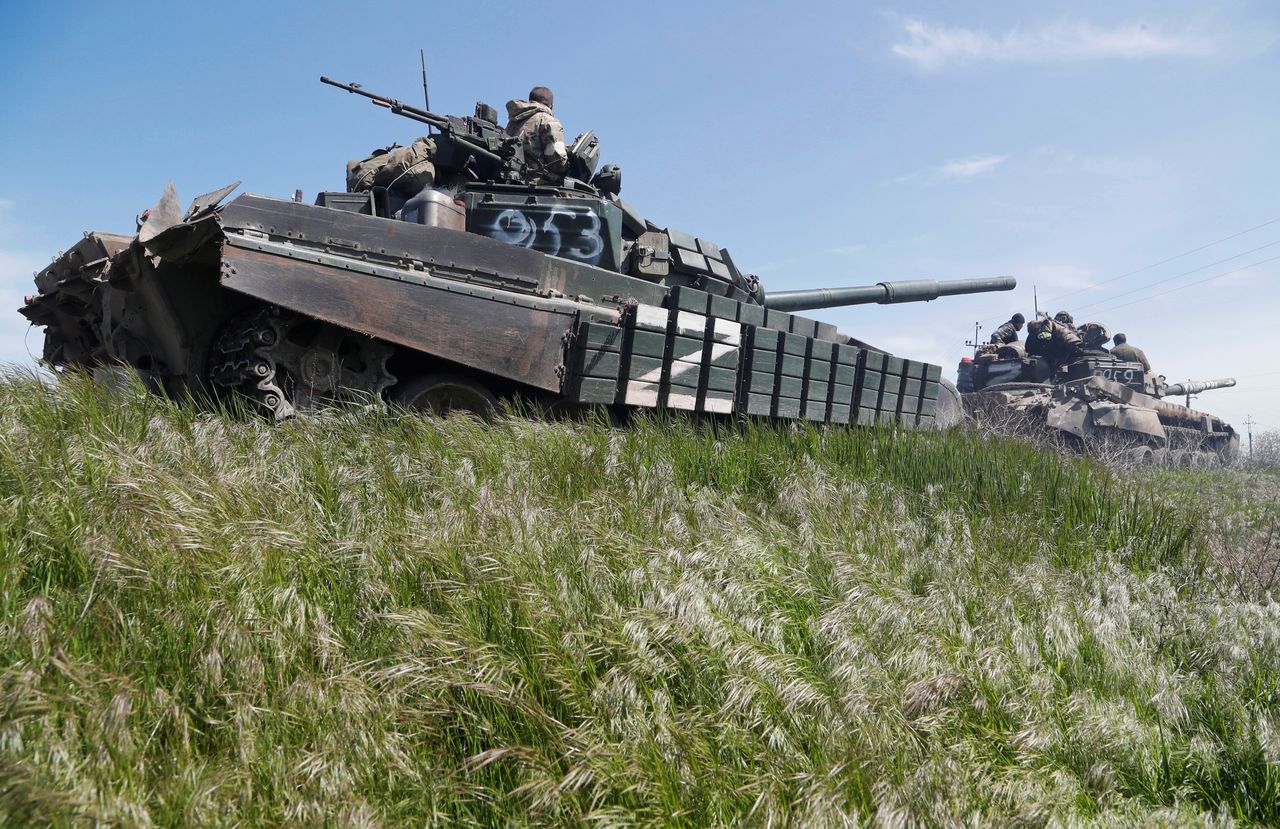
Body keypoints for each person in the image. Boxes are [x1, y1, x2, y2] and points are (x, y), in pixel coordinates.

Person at [505, 86, 569, 186]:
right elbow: (557, 162)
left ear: (530, 101)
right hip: (539, 184)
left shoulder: (512, 123)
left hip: (513, 181)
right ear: (550, 106)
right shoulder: (548, 121)